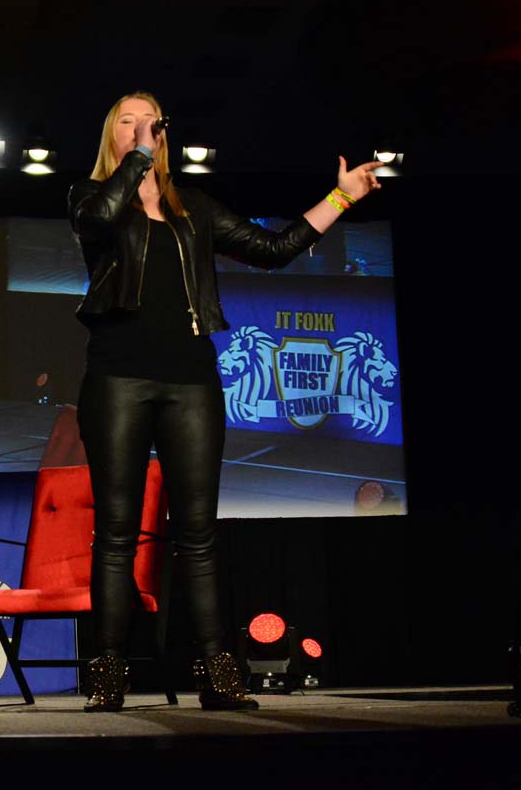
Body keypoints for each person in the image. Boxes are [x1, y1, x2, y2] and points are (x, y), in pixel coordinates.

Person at [69, 92, 382, 712]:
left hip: (191, 381)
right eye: (128, 122)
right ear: (114, 137)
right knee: (117, 534)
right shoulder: (91, 196)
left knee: (199, 533)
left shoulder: (195, 209)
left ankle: (218, 675)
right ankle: (107, 677)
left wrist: (342, 197)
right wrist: (137, 163)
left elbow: (273, 250)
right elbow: (98, 220)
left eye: (150, 122)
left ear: (165, 134)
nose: (141, 129)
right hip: (117, 379)